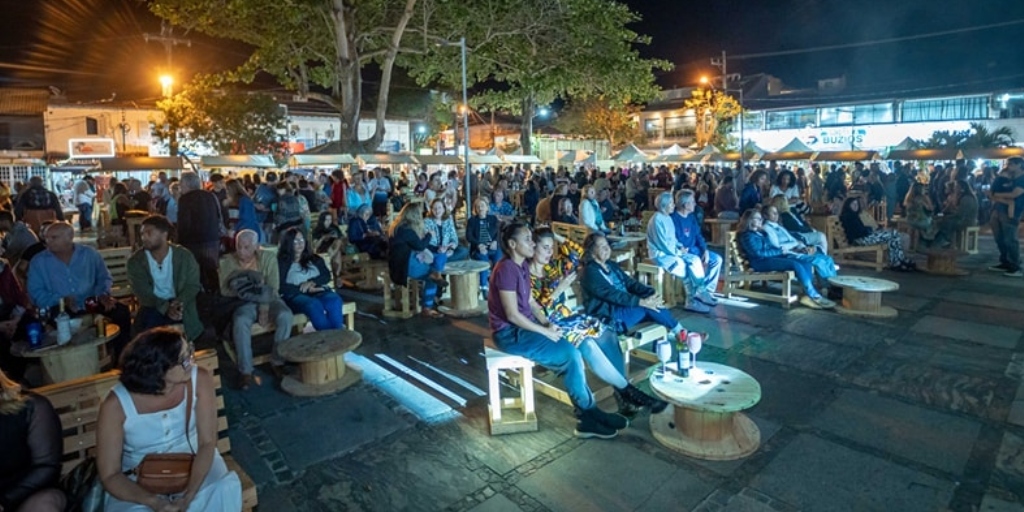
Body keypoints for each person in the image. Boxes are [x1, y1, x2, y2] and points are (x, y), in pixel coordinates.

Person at [488, 223, 632, 439]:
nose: (533, 243)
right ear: (512, 244)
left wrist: (547, 323)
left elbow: (531, 304)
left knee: (576, 348)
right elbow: (512, 315)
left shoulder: (521, 266)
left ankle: (590, 412)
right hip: (511, 334)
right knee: (570, 356)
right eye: (527, 239)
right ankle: (587, 416)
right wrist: (545, 332)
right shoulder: (507, 269)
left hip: (527, 328)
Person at [96, 328, 242, 511]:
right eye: (183, 360)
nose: (191, 360)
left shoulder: (199, 379)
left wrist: (189, 495)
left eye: (189, 351)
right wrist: (154, 502)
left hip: (195, 462)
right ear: (158, 370)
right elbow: (110, 475)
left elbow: (207, 443)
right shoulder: (116, 405)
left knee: (220, 491)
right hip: (136, 476)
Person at [26, 222, 132, 361]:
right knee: (55, 321)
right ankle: (69, 363)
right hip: (58, 307)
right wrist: (61, 300)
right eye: (46, 238)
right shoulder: (39, 261)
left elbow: (104, 277)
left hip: (91, 301)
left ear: (69, 237)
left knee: (121, 312)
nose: (48, 242)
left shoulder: (89, 254)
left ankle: (122, 358)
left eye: (54, 237)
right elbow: (35, 293)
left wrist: (103, 294)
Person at [580, 232, 691, 342]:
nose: (607, 249)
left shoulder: (610, 265)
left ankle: (680, 335)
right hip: (610, 316)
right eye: (602, 246)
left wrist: (649, 293)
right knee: (648, 306)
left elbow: (630, 283)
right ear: (592, 252)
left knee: (653, 304)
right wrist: (641, 301)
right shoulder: (590, 272)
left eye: (607, 245)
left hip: (625, 308)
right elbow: (613, 295)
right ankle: (683, 335)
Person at [218, 230, 293, 389]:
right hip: (244, 302)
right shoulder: (227, 261)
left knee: (285, 316)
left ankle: (277, 361)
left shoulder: (268, 258)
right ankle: (245, 370)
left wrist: (263, 306)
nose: (241, 251)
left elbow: (273, 286)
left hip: (269, 300)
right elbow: (226, 290)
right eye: (238, 246)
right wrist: (247, 278)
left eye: (246, 247)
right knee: (240, 320)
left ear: (256, 247)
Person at [737, 210, 836, 310]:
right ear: (749, 220)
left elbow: (770, 247)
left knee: (805, 262)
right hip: (760, 262)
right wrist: (779, 251)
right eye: (757, 218)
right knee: (794, 264)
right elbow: (759, 253)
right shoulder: (747, 235)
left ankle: (807, 292)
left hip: (770, 258)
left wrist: (781, 250)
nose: (760, 220)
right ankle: (813, 295)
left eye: (761, 218)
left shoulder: (760, 233)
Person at [127, 215, 203, 341]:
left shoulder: (184, 256)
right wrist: (166, 308)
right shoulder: (136, 262)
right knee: (150, 336)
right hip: (153, 305)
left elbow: (192, 285)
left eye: (149, 233)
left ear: (164, 234)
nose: (144, 237)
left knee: (185, 332)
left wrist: (178, 303)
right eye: (142, 234)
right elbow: (142, 293)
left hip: (180, 304)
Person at [0, 368, 65, 512]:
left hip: (25, 495)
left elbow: (46, 466)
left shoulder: (32, 407)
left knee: (46, 503)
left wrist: (5, 500)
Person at [645, 192, 711, 314]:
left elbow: (673, 239)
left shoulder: (667, 218)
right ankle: (693, 298)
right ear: (664, 205)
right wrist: (678, 252)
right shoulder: (657, 220)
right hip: (661, 255)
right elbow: (663, 244)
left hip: (672, 253)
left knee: (694, 260)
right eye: (671, 203)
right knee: (687, 267)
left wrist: (680, 247)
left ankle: (699, 292)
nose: (674, 205)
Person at [276, 227, 344, 331]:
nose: (300, 243)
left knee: (334, 300)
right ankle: (331, 338)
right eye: (296, 241)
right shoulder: (283, 262)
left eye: (302, 240)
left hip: (318, 291)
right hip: (295, 295)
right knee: (313, 304)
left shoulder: (314, 259)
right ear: (289, 243)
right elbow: (281, 286)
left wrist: (312, 283)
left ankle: (337, 336)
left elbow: (326, 275)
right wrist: (304, 288)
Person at [387, 204, 445, 318]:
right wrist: (429, 235)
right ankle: (428, 306)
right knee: (433, 275)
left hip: (395, 263)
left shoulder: (396, 227)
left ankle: (436, 293)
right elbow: (420, 246)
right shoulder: (407, 230)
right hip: (405, 266)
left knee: (434, 272)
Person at [670, 190, 723, 306]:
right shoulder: (673, 219)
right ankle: (699, 293)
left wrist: (705, 250)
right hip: (685, 252)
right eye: (692, 202)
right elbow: (677, 240)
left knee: (717, 260)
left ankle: (707, 291)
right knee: (695, 261)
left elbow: (698, 235)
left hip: (696, 250)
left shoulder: (691, 217)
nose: (695, 204)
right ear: (685, 205)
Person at [761, 204, 838, 281]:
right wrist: (794, 245)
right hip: (787, 255)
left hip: (797, 251)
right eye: (773, 213)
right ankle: (827, 286)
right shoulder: (767, 228)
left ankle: (834, 285)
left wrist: (803, 248)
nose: (776, 215)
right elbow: (777, 246)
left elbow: (794, 240)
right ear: (765, 216)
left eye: (777, 212)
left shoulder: (779, 227)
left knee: (827, 259)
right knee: (818, 261)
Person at [839, 197, 916, 271]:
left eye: (856, 204)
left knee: (893, 235)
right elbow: (857, 232)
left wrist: (869, 229)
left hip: (864, 237)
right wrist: (869, 229)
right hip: (861, 240)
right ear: (848, 205)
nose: (855, 206)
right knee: (893, 234)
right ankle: (898, 261)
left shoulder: (852, 215)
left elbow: (860, 229)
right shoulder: (848, 217)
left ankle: (898, 260)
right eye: (853, 204)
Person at [177, 172, 224, 293]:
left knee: (194, 273)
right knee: (212, 271)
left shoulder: (185, 199)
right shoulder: (211, 196)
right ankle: (215, 295)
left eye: (181, 183)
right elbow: (219, 216)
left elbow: (184, 223)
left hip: (193, 243)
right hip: (212, 240)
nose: (180, 186)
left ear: (187, 184)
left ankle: (199, 298)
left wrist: (179, 243)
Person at [987, 157, 1024, 277]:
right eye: (1008, 164)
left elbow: (1015, 194)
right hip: (998, 209)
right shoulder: (1008, 177)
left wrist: (996, 195)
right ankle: (1005, 261)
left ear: (1019, 165)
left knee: (1010, 238)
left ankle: (1015, 265)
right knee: (1000, 237)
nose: (1009, 166)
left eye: (1012, 164)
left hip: (1012, 211)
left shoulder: (1021, 179)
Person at [932, 179, 979, 248]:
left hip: (966, 221)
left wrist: (944, 217)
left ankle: (946, 241)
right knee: (942, 221)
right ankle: (946, 242)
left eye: (956, 187)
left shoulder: (966, 199)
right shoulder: (962, 197)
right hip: (963, 219)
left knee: (945, 223)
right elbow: (946, 211)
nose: (954, 188)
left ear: (962, 188)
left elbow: (960, 215)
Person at [467, 198, 501, 292]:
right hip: (478, 248)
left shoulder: (493, 219)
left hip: (492, 246)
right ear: (475, 209)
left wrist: (495, 241)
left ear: (487, 207)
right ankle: (483, 286)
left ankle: (497, 282)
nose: (480, 208)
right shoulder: (472, 220)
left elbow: (498, 233)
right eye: (478, 206)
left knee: (498, 258)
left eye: (482, 206)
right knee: (483, 260)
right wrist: (478, 244)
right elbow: (469, 236)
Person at [425, 198, 468, 266]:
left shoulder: (448, 220)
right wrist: (438, 249)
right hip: (434, 251)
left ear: (444, 209)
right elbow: (425, 242)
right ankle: (440, 261)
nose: (437, 210)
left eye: (439, 208)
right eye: (434, 208)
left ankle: (440, 261)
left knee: (464, 251)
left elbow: (454, 238)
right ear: (431, 210)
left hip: (446, 251)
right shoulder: (427, 222)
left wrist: (451, 249)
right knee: (429, 256)